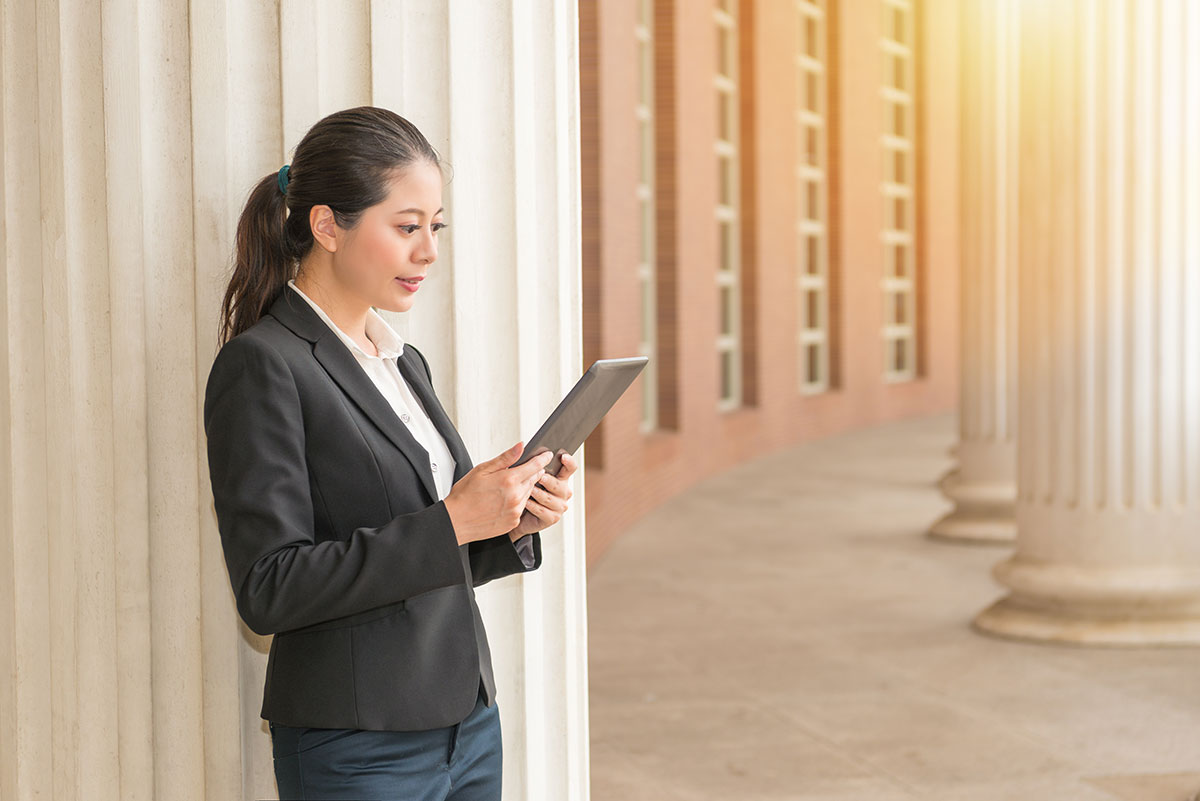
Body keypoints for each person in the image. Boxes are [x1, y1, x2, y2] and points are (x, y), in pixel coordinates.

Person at [202, 105, 577, 800]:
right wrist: (455, 520)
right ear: (327, 226)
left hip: (467, 725)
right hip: (359, 746)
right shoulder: (263, 366)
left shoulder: (404, 363)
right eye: (407, 227)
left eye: (434, 228)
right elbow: (269, 586)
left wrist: (511, 521)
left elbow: (427, 543)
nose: (429, 251)